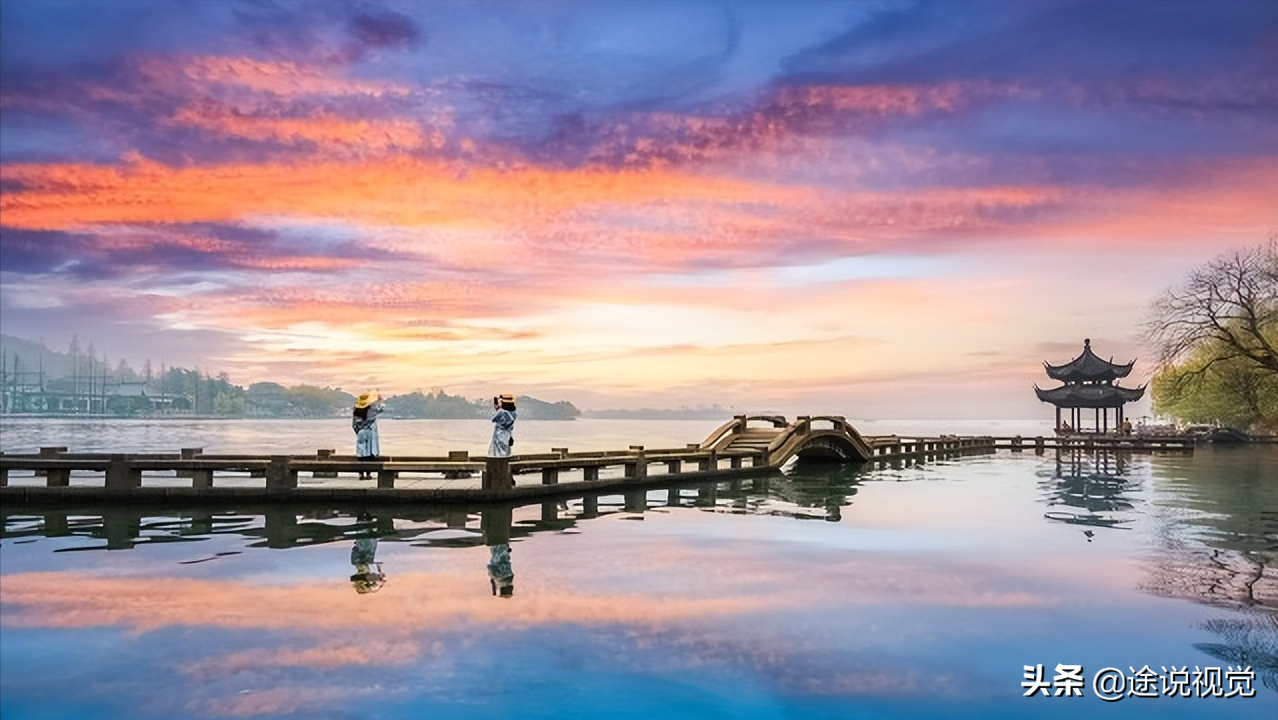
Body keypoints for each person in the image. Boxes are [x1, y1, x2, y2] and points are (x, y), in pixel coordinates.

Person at [352, 391, 384, 480]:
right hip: (370, 433)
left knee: (361, 454)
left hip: (360, 433)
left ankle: (361, 474)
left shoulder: (356, 411)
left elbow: (354, 425)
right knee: (370, 453)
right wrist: (379, 399)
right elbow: (381, 408)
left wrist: (358, 432)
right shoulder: (371, 409)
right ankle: (368, 473)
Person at [488, 393, 517, 459]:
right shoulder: (514, 413)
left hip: (499, 433)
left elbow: (494, 419)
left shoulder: (501, 411)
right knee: (506, 451)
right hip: (508, 433)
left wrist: (497, 409)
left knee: (497, 451)